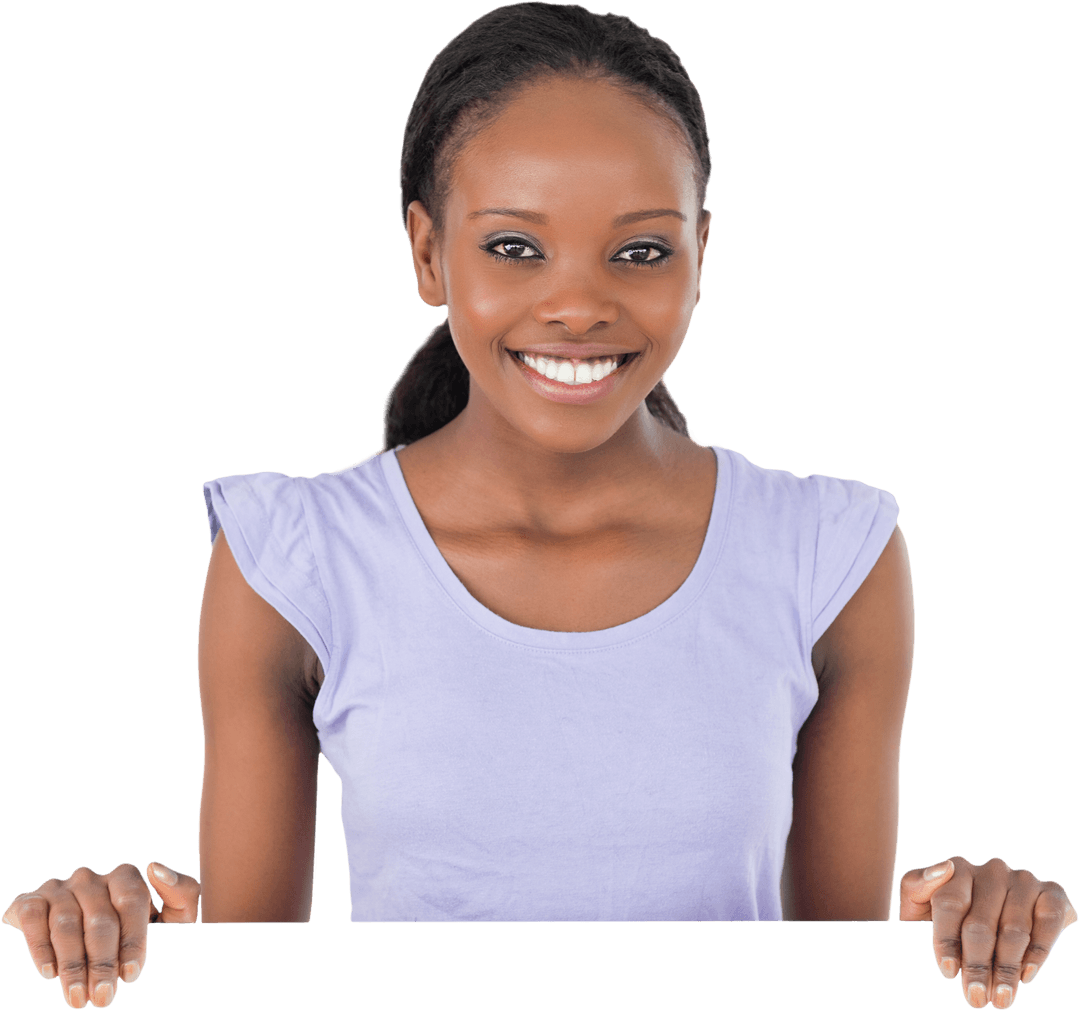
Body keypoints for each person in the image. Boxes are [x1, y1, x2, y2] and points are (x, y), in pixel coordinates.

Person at [3, 3, 1074, 1010]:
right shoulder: (292, 560)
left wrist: (974, 938)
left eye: (642, 250)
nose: (577, 304)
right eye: (514, 246)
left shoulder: (830, 557)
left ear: (704, 250)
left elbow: (833, 979)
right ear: (427, 251)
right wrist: (121, 943)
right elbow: (254, 981)